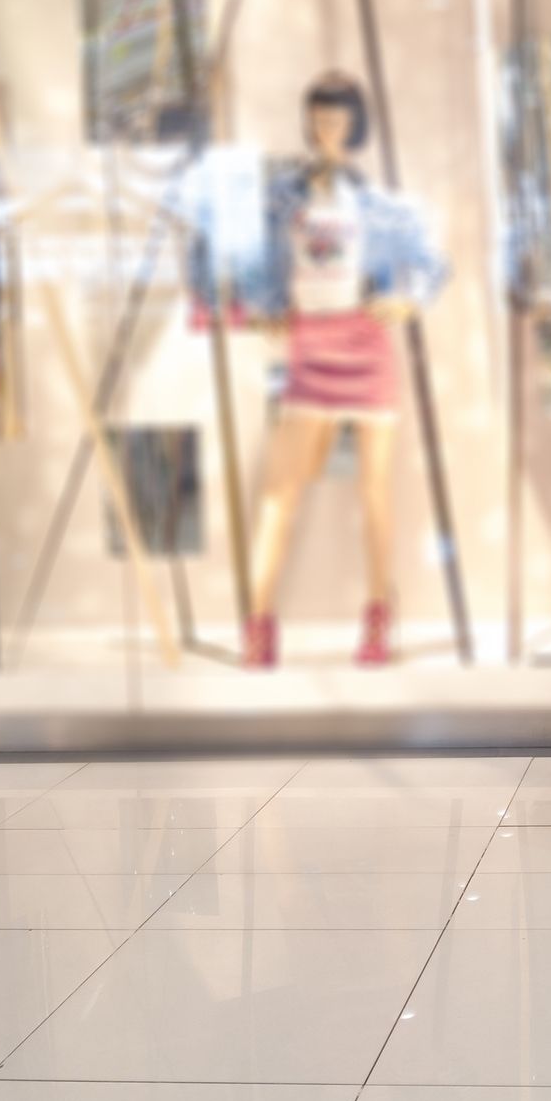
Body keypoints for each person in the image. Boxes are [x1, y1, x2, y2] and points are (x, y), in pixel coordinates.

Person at [193, 72, 444, 668]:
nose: (327, 129)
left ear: (356, 125)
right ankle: (258, 623)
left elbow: (431, 262)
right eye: (319, 118)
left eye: (338, 119)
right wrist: (260, 307)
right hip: (310, 345)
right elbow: (240, 254)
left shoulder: (376, 202)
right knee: (281, 491)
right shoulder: (284, 194)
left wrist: (408, 299)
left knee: (375, 493)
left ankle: (378, 618)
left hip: (365, 342)